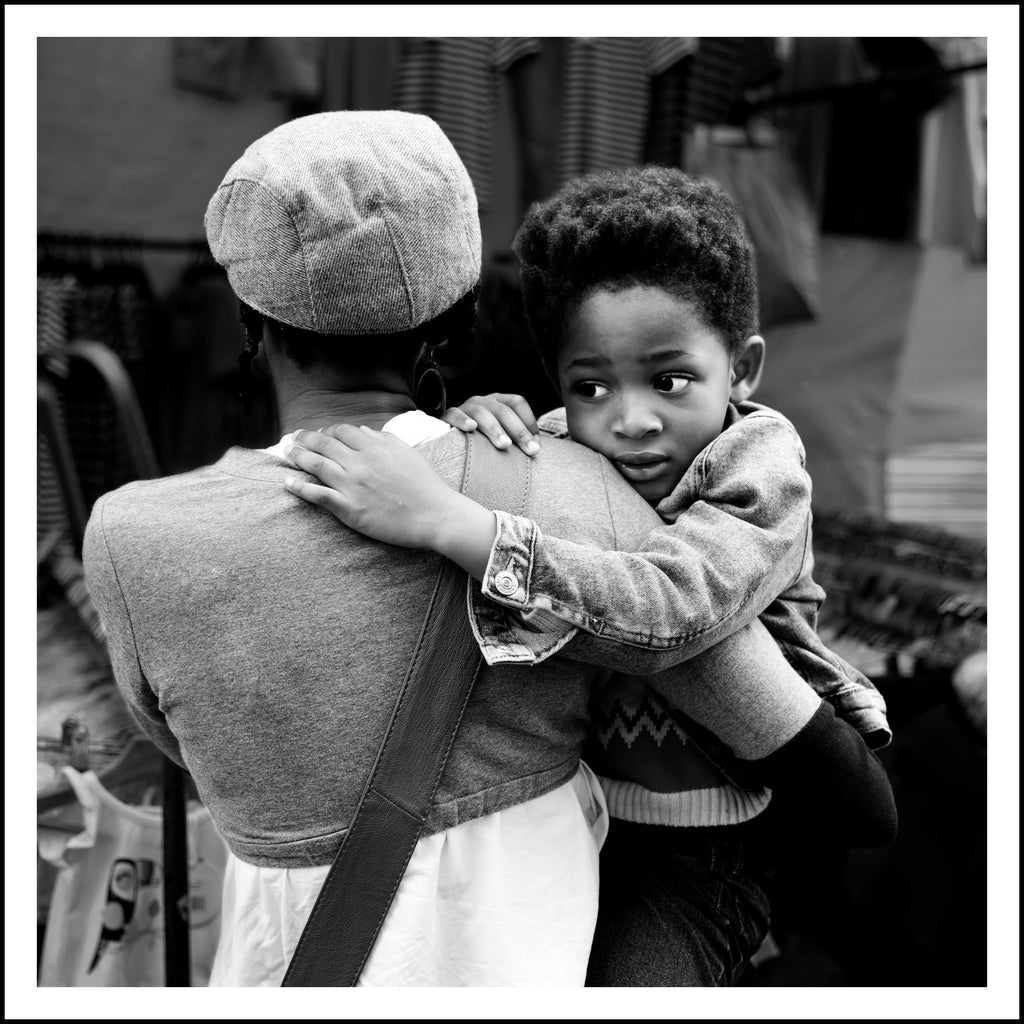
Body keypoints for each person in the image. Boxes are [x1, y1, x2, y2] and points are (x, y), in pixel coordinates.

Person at [84, 113, 893, 988]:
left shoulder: (132, 539)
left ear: (249, 321)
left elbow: (184, 747)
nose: (630, 418)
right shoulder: (587, 493)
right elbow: (847, 790)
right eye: (592, 384)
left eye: (666, 380)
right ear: (468, 318)